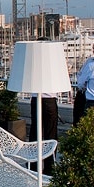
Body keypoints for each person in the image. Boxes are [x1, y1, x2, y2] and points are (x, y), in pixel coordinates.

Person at [29, 37, 59, 174]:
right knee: (50, 133)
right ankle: (49, 165)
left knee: (36, 132)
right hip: (49, 99)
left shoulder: (33, 61)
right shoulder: (54, 61)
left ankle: (34, 164)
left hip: (37, 98)